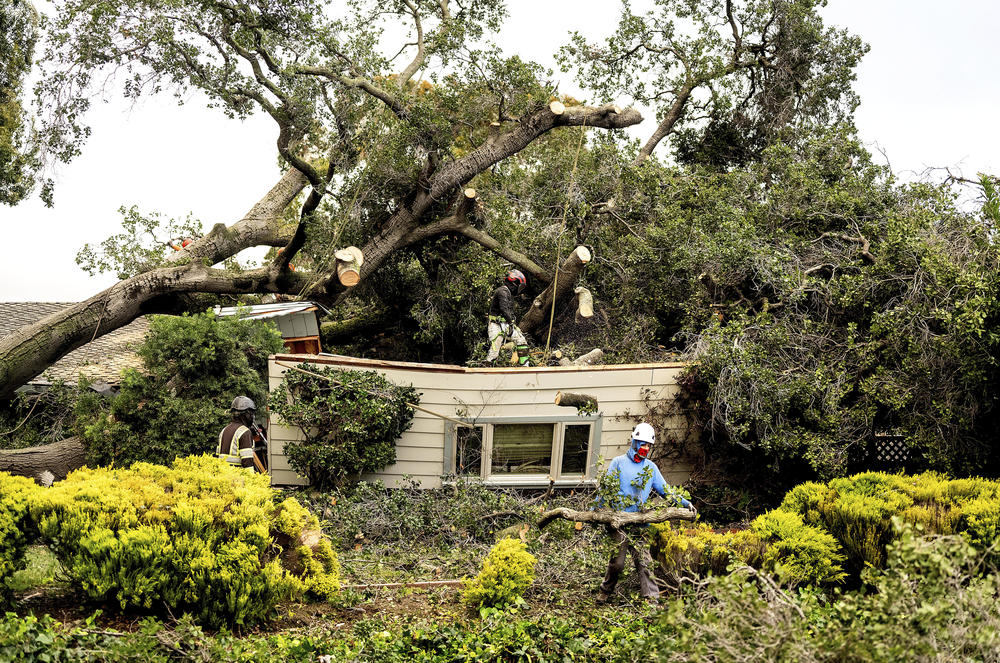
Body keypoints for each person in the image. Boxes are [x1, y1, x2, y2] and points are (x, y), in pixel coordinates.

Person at [596, 422, 695, 604]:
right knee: (617, 563)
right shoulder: (618, 463)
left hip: (641, 522)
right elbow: (605, 490)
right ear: (634, 442)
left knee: (645, 562)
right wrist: (595, 511)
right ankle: (605, 591)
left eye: (648, 445)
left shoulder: (650, 468)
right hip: (619, 522)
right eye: (643, 444)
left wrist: (685, 503)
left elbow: (666, 491)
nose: (646, 448)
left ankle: (652, 600)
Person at [485, 269, 530, 366]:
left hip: (506, 324)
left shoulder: (507, 293)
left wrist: (511, 322)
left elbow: (509, 311)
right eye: (519, 285)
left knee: (521, 341)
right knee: (495, 349)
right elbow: (503, 309)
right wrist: (511, 323)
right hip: (495, 324)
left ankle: (525, 367)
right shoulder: (502, 291)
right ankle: (487, 369)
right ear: (514, 282)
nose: (519, 288)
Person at [217, 396, 263, 472]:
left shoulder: (224, 430)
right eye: (251, 413)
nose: (252, 417)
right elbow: (247, 462)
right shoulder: (244, 432)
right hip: (237, 478)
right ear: (246, 414)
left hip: (223, 477)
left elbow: (218, 455)